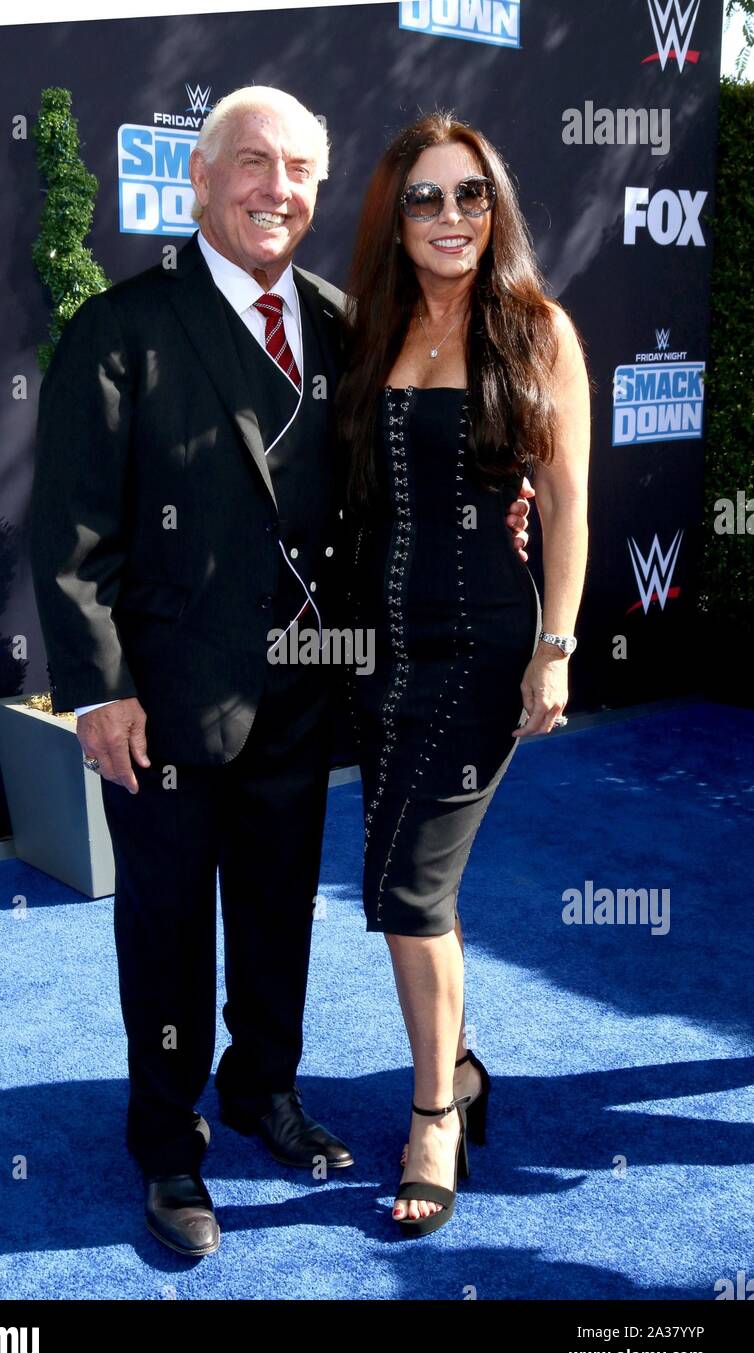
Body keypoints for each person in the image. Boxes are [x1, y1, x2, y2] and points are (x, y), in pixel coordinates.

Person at [29, 87, 531, 1259]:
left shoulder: (344, 324)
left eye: (300, 171)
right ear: (197, 183)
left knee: (274, 915)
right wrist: (100, 693)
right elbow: (69, 532)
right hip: (161, 705)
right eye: (251, 163)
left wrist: (494, 514)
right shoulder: (124, 328)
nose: (277, 189)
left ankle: (262, 1089)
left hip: (305, 689)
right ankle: (166, 1140)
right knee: (164, 933)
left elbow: (408, 479)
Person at [337, 112, 590, 1237]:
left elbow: (569, 499)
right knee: (394, 883)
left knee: (408, 888)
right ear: (395, 218)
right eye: (428, 198)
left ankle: (435, 1111)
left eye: (471, 196)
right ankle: (464, 1071)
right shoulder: (370, 324)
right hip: (378, 648)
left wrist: (556, 646)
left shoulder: (535, 330)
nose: (452, 218)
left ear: (497, 210)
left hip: (486, 645)